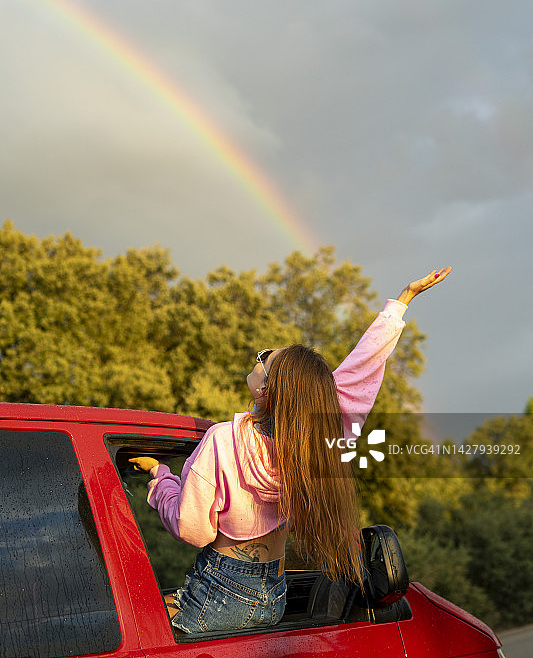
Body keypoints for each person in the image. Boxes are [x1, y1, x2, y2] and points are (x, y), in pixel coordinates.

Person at [129, 266, 452, 634]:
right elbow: (359, 372)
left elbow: (193, 531)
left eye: (265, 357)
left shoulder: (222, 440)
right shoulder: (313, 445)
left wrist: (161, 477)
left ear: (264, 389)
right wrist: (400, 304)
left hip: (219, 589)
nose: (259, 356)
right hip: (275, 593)